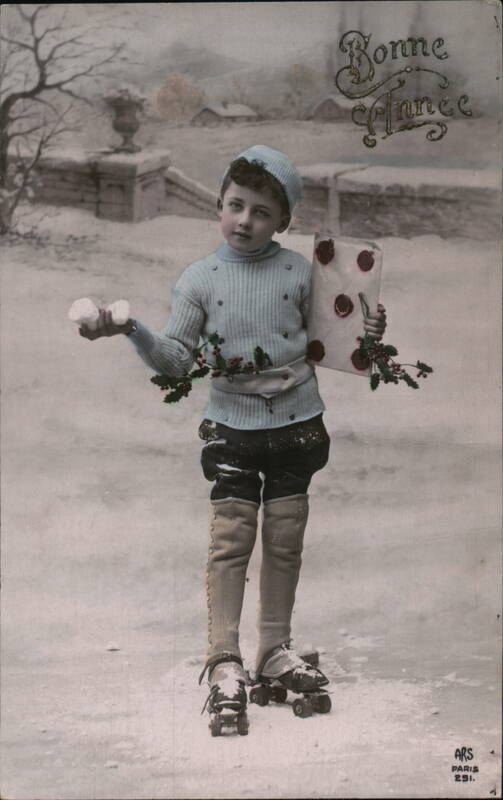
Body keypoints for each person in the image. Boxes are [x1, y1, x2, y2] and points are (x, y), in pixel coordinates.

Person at [79, 145, 386, 730]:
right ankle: (224, 658)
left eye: (262, 212)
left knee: (286, 538)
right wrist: (130, 329)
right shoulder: (199, 279)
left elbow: (338, 342)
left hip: (297, 426)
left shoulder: (302, 273)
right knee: (230, 541)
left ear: (284, 221)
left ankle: (274, 649)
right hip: (233, 430)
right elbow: (176, 360)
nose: (245, 221)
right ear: (219, 205)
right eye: (235, 205)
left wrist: (368, 329)